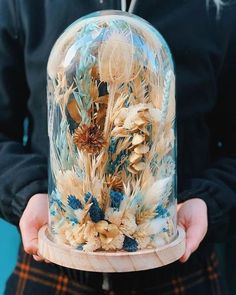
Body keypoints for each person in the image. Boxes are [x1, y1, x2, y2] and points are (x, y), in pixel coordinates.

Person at [0, 0, 236, 294]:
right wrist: (30, 192)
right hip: (51, 271)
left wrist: (207, 201)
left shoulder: (219, 10)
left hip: (181, 272)